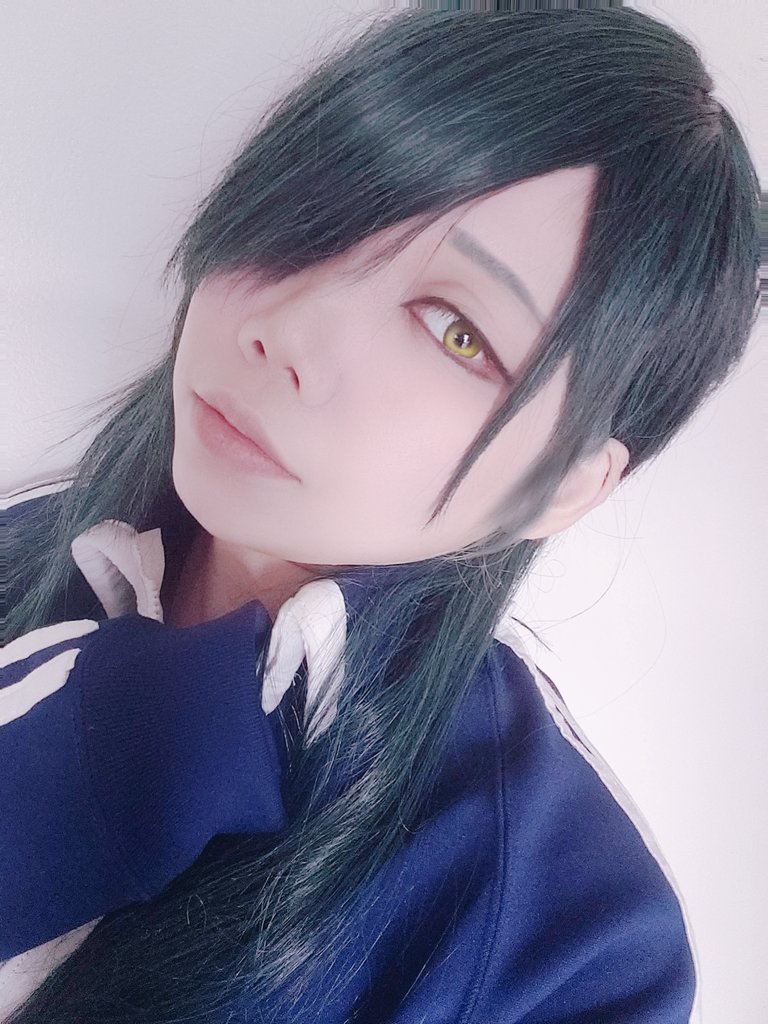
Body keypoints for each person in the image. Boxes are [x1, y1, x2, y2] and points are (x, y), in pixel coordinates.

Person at [0, 6, 760, 1023]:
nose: (284, 328)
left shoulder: (571, 944)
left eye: (455, 330)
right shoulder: (30, 550)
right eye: (314, 212)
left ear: (567, 483)